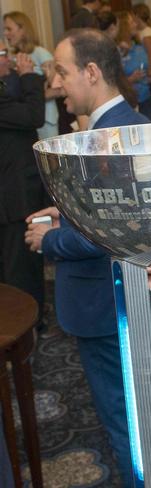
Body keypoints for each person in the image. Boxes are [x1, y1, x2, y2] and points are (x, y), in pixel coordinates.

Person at [24, 28, 149, 488]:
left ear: (92, 72)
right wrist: (63, 211)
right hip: (127, 299)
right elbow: (120, 208)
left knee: (126, 420)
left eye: (63, 71)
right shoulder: (132, 122)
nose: (56, 83)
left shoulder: (106, 136)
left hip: (105, 305)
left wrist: (49, 242)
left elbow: (111, 233)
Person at [0, 44, 45, 332]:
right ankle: (24, 329)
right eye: (3, 54)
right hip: (12, 196)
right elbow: (32, 115)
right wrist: (29, 75)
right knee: (19, 268)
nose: (9, 58)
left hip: (13, 191)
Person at [3, 11, 60, 140]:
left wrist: (30, 97)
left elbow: (59, 89)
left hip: (46, 120)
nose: (5, 33)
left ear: (23, 29)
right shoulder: (13, 58)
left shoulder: (41, 53)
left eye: (9, 29)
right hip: (26, 119)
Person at [116, 11, 151, 119]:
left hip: (146, 98)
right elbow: (113, 83)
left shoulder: (139, 46)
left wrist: (148, 77)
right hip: (128, 102)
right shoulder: (118, 50)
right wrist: (131, 79)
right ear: (123, 26)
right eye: (131, 22)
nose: (136, 24)